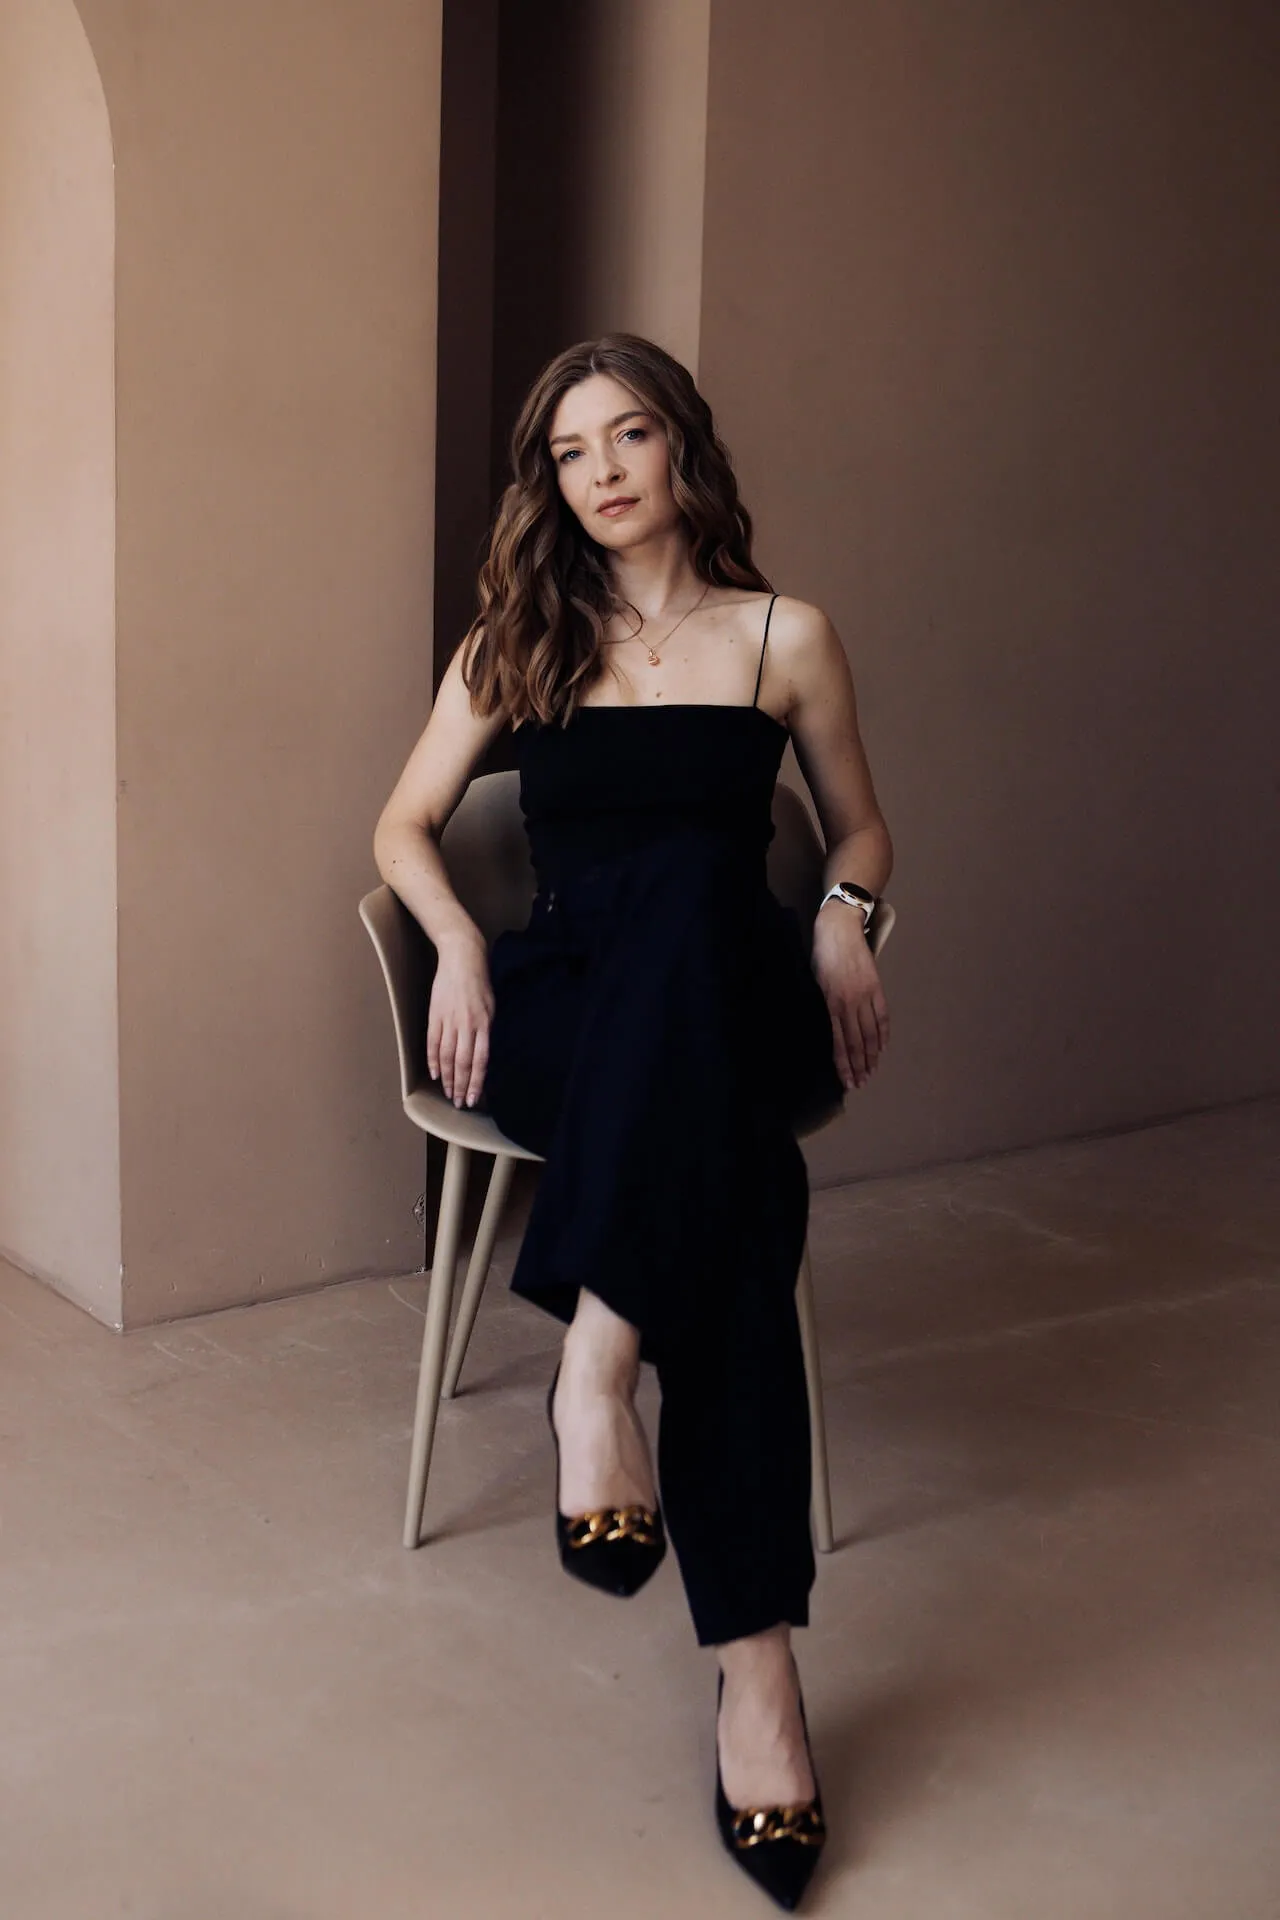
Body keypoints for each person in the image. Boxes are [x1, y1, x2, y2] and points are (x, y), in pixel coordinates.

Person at [374, 333, 892, 1910]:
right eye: (570, 451)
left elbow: (859, 828)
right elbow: (402, 825)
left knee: (693, 895)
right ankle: (761, 1675)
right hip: (562, 1015)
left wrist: (844, 917)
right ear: (550, 480)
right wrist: (461, 944)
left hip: (736, 999)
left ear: (684, 448)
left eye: (630, 436)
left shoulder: (784, 635)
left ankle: (598, 1352)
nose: (601, 473)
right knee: (734, 1187)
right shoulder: (518, 639)